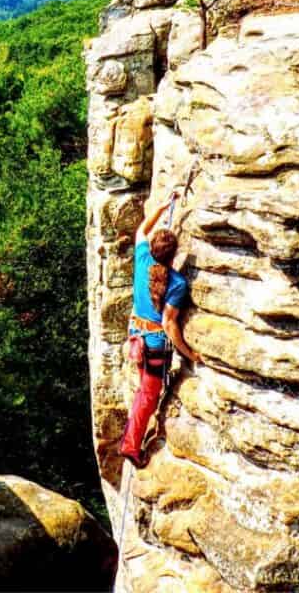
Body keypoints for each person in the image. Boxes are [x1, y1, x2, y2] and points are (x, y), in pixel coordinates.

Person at [119, 191, 202, 468]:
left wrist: (163, 206)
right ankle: (130, 446)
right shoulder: (177, 283)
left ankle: (133, 438)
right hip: (154, 343)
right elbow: (169, 324)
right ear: (173, 255)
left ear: (153, 248)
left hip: (136, 335)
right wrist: (189, 353)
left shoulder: (143, 259)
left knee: (145, 390)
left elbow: (142, 229)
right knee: (148, 394)